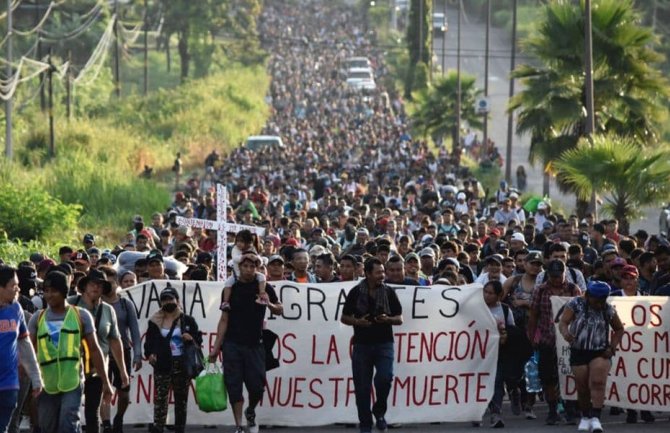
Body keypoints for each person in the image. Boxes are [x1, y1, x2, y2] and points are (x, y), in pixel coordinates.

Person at [29, 271, 113, 433]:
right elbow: (28, 352)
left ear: (64, 292)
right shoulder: (37, 318)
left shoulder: (81, 316)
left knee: (68, 424)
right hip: (46, 385)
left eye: (53, 290)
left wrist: (106, 382)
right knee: (47, 427)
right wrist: (29, 380)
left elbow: (95, 350)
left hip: (72, 383)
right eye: (46, 290)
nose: (49, 295)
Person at [209, 252, 283, 433]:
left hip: (255, 345)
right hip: (232, 344)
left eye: (252, 266)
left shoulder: (264, 288)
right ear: (239, 267)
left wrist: (269, 305)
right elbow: (224, 320)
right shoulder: (230, 288)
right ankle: (239, 425)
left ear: (257, 268)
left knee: (257, 387)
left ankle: (251, 411)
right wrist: (215, 348)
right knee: (234, 386)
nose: (249, 270)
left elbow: (279, 309)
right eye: (245, 266)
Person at [341, 258, 403, 433]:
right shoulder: (355, 293)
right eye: (378, 272)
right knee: (362, 388)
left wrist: (388, 319)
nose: (382, 276)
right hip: (362, 346)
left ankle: (379, 410)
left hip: (384, 344)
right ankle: (366, 425)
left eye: (383, 272)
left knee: (385, 378)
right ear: (367, 274)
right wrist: (357, 322)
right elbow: (344, 317)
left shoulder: (389, 292)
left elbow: (399, 318)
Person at [558, 281, 624, 433]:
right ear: (587, 295)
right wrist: (566, 333)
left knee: (598, 382)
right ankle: (585, 416)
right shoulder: (575, 304)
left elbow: (619, 329)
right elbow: (563, 322)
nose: (599, 303)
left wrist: (612, 347)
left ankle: (596, 418)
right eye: (597, 299)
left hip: (600, 351)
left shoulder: (608, 309)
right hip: (579, 351)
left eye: (603, 299)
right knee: (582, 387)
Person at [68, 269, 129, 433]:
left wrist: (122, 371)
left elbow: (115, 341)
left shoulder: (109, 310)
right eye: (93, 284)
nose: (96, 287)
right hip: (73, 367)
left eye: (100, 285)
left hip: (98, 369)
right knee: (71, 411)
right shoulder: (71, 305)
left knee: (92, 412)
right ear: (85, 286)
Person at [527, 259, 581, 425]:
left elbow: (580, 314)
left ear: (564, 273)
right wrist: (532, 336)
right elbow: (534, 314)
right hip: (547, 339)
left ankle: (571, 409)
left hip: (569, 341)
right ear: (548, 275)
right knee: (548, 377)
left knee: (570, 375)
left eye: (559, 276)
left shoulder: (573, 289)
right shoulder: (540, 290)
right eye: (553, 276)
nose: (556, 279)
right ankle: (552, 410)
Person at [144, 287, 202, 433]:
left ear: (177, 300)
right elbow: (149, 342)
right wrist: (150, 354)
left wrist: (191, 338)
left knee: (181, 400)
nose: (168, 302)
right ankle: (158, 427)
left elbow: (198, 340)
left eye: (170, 298)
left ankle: (179, 429)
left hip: (182, 364)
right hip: (162, 364)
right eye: (164, 299)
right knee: (160, 400)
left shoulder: (187, 320)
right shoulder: (154, 321)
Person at [100, 267, 142, 433]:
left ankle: (119, 417)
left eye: (111, 282)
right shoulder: (97, 304)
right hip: (101, 352)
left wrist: (138, 354)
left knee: (124, 393)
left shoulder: (126, 304)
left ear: (116, 283)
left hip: (122, 351)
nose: (109, 286)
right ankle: (107, 423)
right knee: (105, 390)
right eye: (106, 282)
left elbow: (135, 331)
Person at [0, 266, 42, 433]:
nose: (18, 289)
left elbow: (25, 344)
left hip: (9, 384)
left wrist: (36, 378)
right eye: (13, 285)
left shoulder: (16, 309)